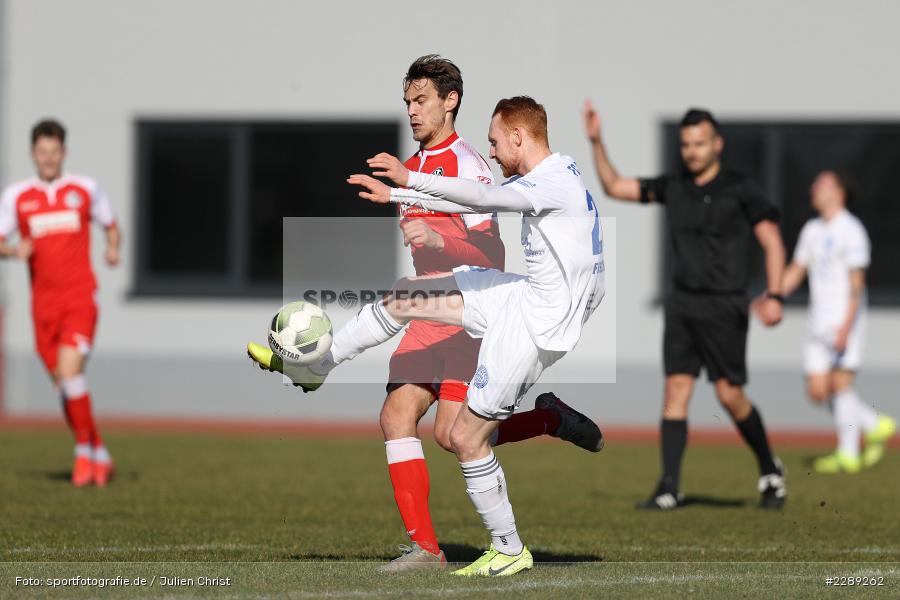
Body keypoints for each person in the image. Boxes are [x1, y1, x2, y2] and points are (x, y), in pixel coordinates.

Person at [248, 59, 601, 572]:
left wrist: (437, 231)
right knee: (397, 410)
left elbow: (489, 246)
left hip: (488, 321)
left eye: (422, 101)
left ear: (449, 100)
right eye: (407, 102)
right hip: (453, 308)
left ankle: (544, 431)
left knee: (458, 437)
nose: (412, 111)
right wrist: (397, 192)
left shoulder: (476, 166)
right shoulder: (434, 163)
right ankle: (425, 547)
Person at [582, 101, 787, 510]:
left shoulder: (740, 189)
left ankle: (770, 470)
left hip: (725, 306)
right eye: (686, 144)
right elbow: (615, 186)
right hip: (682, 305)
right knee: (675, 391)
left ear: (717, 144)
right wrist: (597, 141)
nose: (692, 150)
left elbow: (772, 241)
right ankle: (669, 487)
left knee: (729, 396)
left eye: (700, 143)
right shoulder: (674, 186)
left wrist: (777, 295)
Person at [0, 119, 120, 487]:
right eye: (42, 152)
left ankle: (83, 455)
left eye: (54, 152)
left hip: (80, 297)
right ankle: (99, 450)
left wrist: (113, 247)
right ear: (32, 154)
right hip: (43, 306)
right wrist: (13, 249)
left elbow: (111, 223)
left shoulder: (84, 189)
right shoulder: (16, 196)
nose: (49, 158)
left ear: (63, 153)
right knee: (63, 384)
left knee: (71, 373)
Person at [779, 170, 896, 473]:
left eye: (822, 184)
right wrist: (773, 295)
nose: (814, 189)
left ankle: (848, 453)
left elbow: (857, 282)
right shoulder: (812, 230)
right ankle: (874, 423)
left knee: (841, 385)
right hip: (817, 322)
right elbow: (796, 269)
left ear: (839, 192)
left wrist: (847, 325)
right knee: (818, 391)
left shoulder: (851, 230)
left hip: (845, 321)